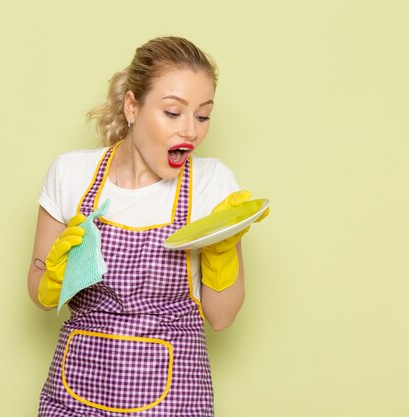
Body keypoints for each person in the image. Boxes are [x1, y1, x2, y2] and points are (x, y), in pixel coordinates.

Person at [27, 36, 267, 417]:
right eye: (173, 112)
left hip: (175, 399)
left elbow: (221, 319)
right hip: (75, 395)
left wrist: (222, 250)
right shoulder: (71, 173)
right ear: (132, 106)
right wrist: (55, 275)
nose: (190, 131)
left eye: (202, 115)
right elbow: (40, 297)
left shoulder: (212, 184)